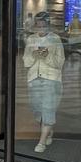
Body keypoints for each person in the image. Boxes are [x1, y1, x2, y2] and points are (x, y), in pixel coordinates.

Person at [23, 11, 64, 153]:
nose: (41, 29)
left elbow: (60, 62)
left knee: (48, 108)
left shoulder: (55, 39)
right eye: (38, 26)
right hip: (33, 79)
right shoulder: (31, 39)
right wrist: (34, 55)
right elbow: (26, 61)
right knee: (37, 110)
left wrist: (47, 56)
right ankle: (49, 130)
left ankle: (41, 142)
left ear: (48, 25)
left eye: (43, 26)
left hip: (51, 79)